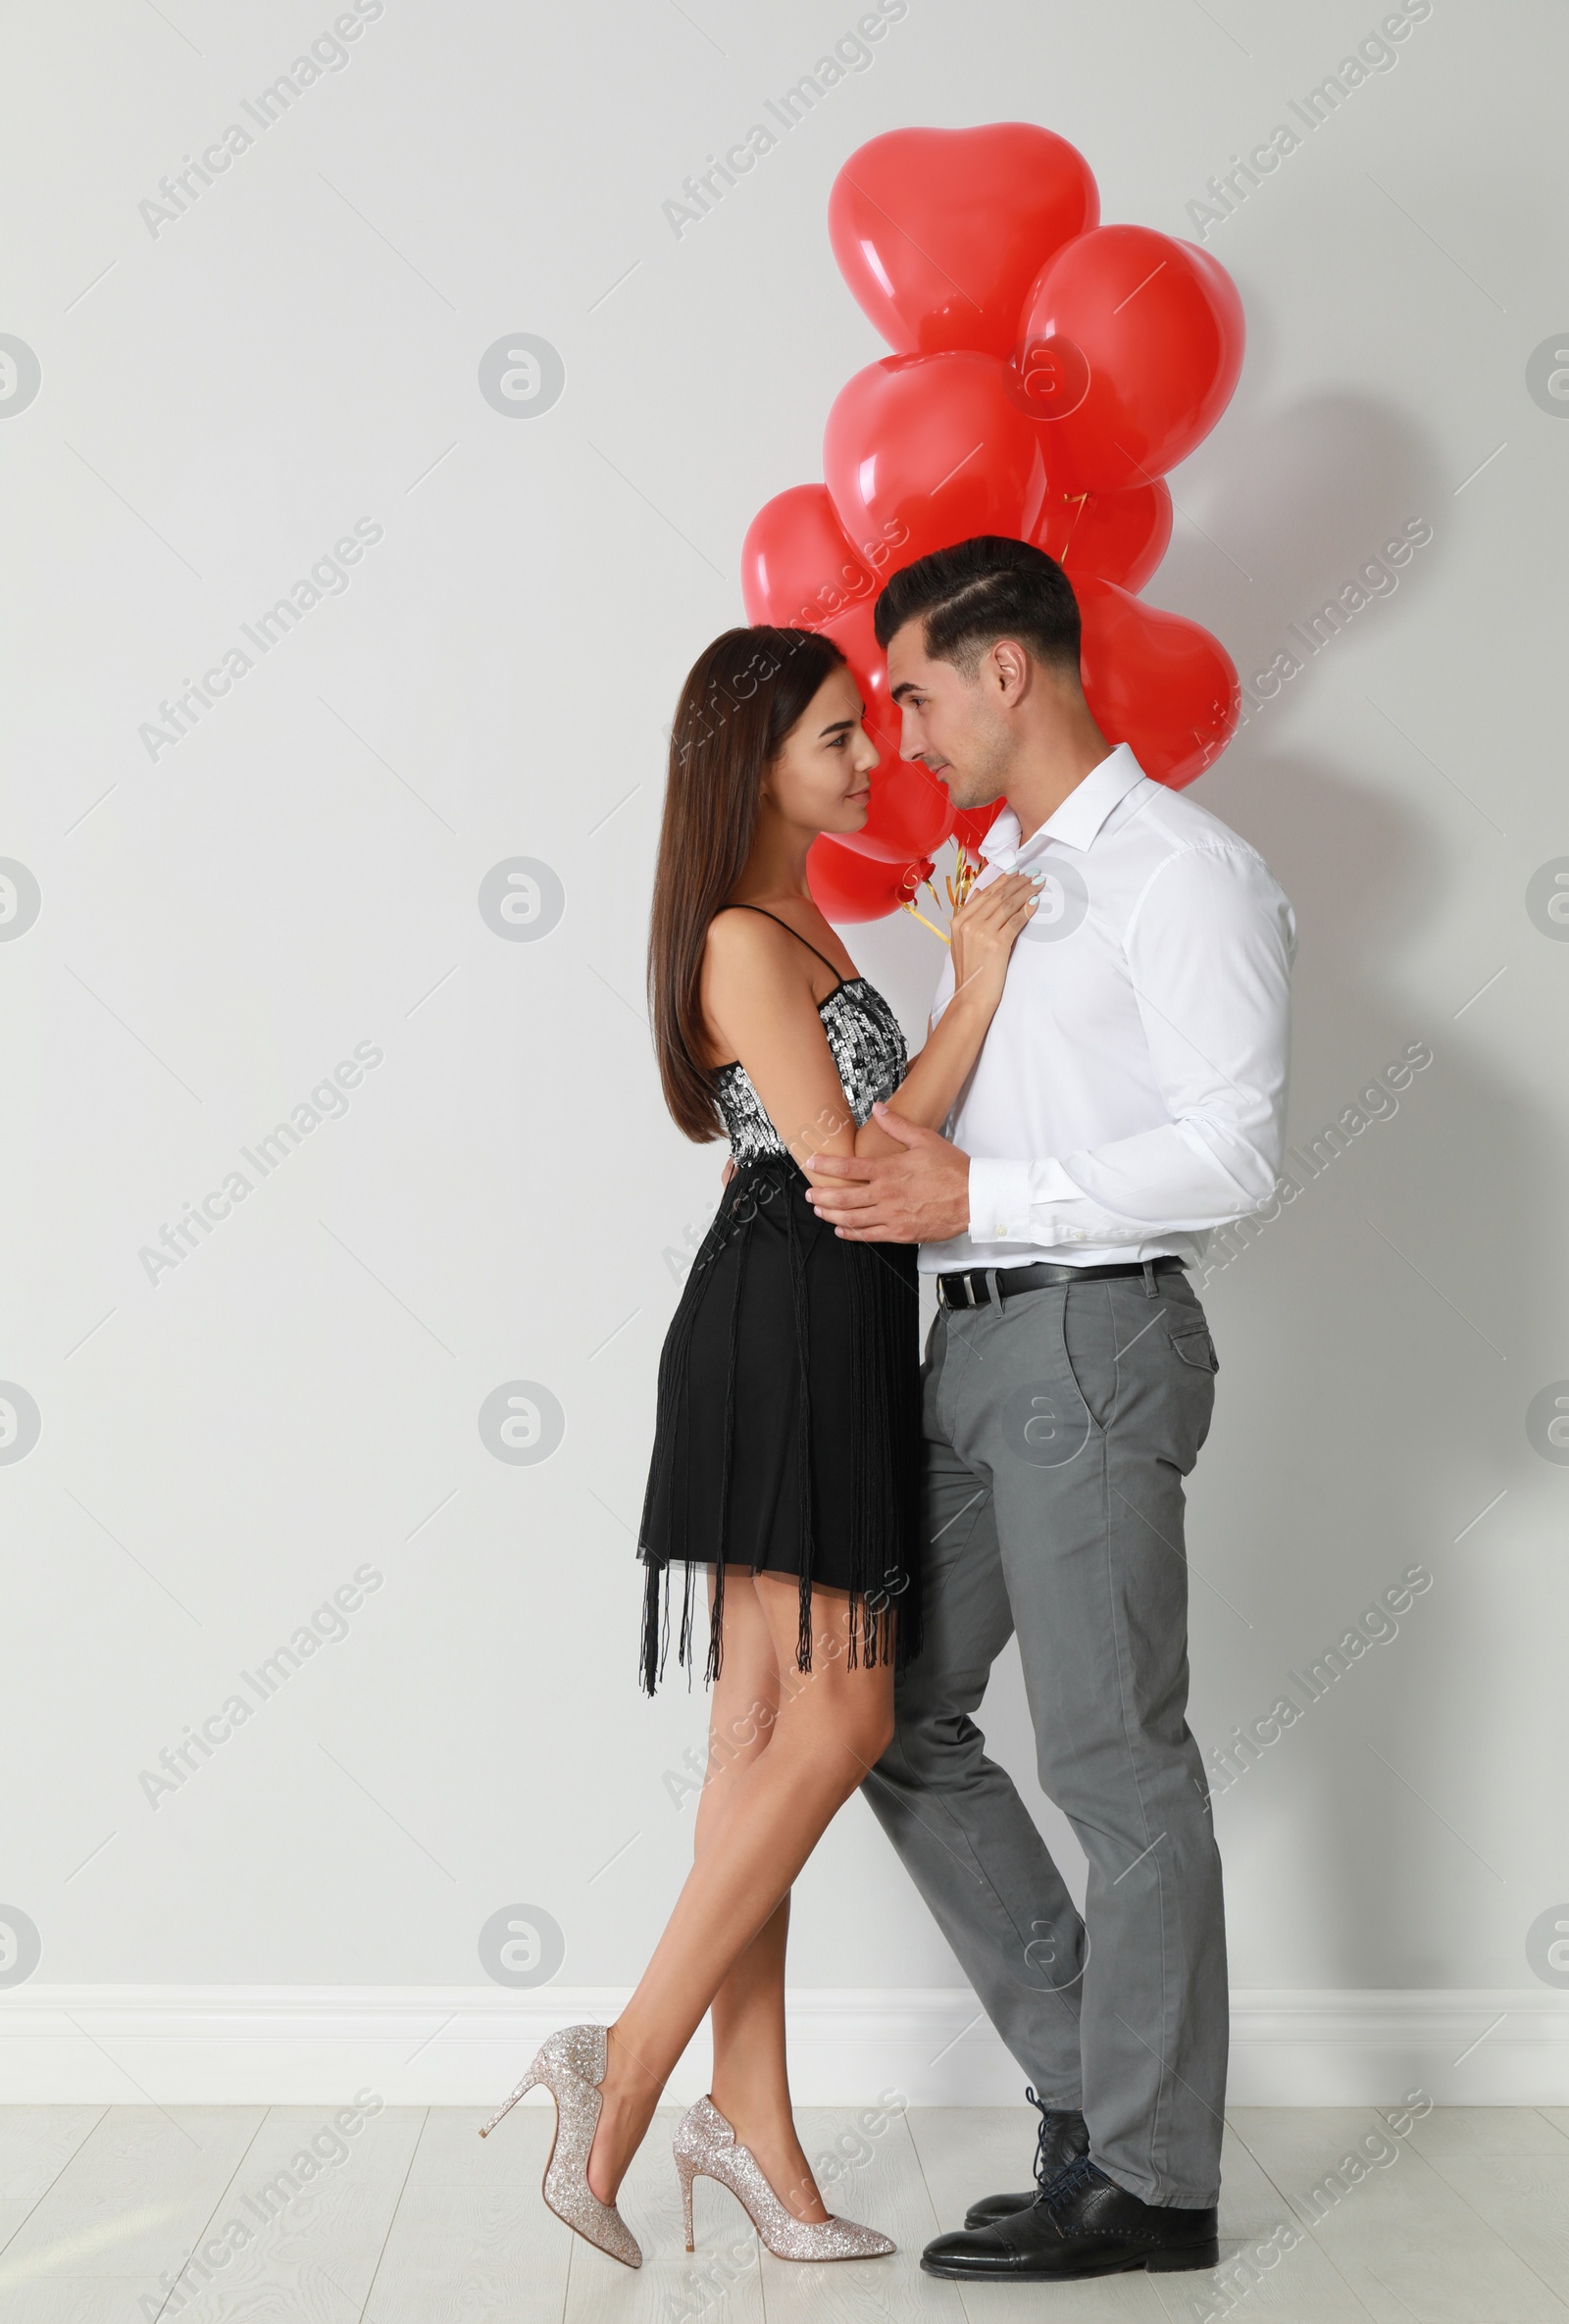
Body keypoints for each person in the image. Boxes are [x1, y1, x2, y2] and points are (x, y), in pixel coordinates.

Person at [480, 623, 1040, 2268]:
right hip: (787, 1333)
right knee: (846, 1709)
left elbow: (829, 1158)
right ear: (754, 760)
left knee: (753, 1740)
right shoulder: (738, 933)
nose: (872, 760)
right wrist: (980, 988)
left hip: (821, 1321)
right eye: (834, 739)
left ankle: (758, 2125)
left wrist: (940, 999)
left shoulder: (809, 910)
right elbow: (857, 1162)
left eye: (869, 732)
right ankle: (629, 2063)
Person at [807, 536, 1295, 2285]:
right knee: (884, 1708)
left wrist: (981, 1208)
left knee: (1114, 1758)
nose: (904, 731)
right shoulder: (999, 878)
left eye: (918, 688)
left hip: (1093, 1338)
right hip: (976, 1347)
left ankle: (1153, 2177)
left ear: (1007, 667)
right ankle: (1103, 2099)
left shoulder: (1185, 871)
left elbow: (1235, 1148)